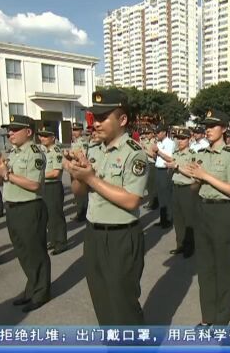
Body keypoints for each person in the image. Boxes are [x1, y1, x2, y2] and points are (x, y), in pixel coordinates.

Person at [65, 90, 148, 325]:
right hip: (93, 234)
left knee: (123, 304)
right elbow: (79, 193)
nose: (96, 123)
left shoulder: (134, 153)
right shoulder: (93, 150)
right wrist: (76, 174)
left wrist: (91, 178)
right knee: (101, 299)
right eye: (94, 118)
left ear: (122, 120)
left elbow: (132, 199)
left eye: (102, 118)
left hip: (121, 237)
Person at [179, 108, 230, 326]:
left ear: (224, 129)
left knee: (222, 268)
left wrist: (205, 175)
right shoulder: (201, 155)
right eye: (206, 126)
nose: (208, 130)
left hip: (222, 211)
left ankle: (221, 320)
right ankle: (207, 318)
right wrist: (195, 178)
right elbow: (195, 187)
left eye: (213, 126)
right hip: (203, 209)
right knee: (204, 268)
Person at [0, 114, 50, 313]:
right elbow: (2, 182)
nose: (10, 133)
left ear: (28, 132)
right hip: (12, 207)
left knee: (35, 252)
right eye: (9, 130)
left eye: (15, 129)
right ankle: (31, 287)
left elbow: (34, 184)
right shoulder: (12, 153)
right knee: (22, 252)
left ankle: (41, 292)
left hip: (29, 208)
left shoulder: (35, 152)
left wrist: (6, 174)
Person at [165, 127, 197, 258]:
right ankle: (180, 245)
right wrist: (171, 168)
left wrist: (177, 166)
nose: (180, 141)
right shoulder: (176, 153)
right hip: (176, 187)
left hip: (187, 189)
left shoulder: (193, 155)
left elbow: (192, 173)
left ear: (189, 139)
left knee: (188, 218)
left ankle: (189, 246)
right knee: (177, 219)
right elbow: (172, 169)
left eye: (183, 139)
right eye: (178, 139)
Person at [37, 127, 68, 255]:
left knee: (56, 215)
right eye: (41, 136)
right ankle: (53, 239)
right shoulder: (44, 151)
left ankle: (61, 242)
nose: (42, 138)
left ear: (53, 137)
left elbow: (56, 172)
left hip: (53, 187)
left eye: (45, 136)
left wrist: (38, 176)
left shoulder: (56, 152)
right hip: (45, 186)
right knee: (48, 216)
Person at [148, 125, 175, 228]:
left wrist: (158, 152)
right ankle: (162, 219)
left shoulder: (170, 143)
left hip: (165, 170)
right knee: (160, 195)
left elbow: (170, 158)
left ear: (164, 132)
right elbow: (156, 157)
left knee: (166, 195)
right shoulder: (158, 143)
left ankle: (168, 219)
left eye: (158, 132)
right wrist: (154, 153)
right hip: (158, 169)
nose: (157, 134)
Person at [71, 122, 89, 222]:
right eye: (73, 130)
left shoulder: (83, 142)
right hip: (74, 168)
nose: (74, 132)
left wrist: (73, 155)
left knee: (81, 193)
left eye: (77, 130)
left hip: (80, 168)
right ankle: (80, 211)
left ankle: (82, 213)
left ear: (81, 131)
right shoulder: (75, 142)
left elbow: (83, 156)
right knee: (77, 193)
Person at [140, 127, 159, 210]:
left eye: (148, 133)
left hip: (152, 164)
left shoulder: (155, 142)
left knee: (152, 185)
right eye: (146, 133)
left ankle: (152, 203)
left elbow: (154, 155)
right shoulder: (144, 141)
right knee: (148, 185)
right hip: (146, 164)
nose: (146, 135)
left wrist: (145, 150)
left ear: (152, 134)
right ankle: (152, 202)